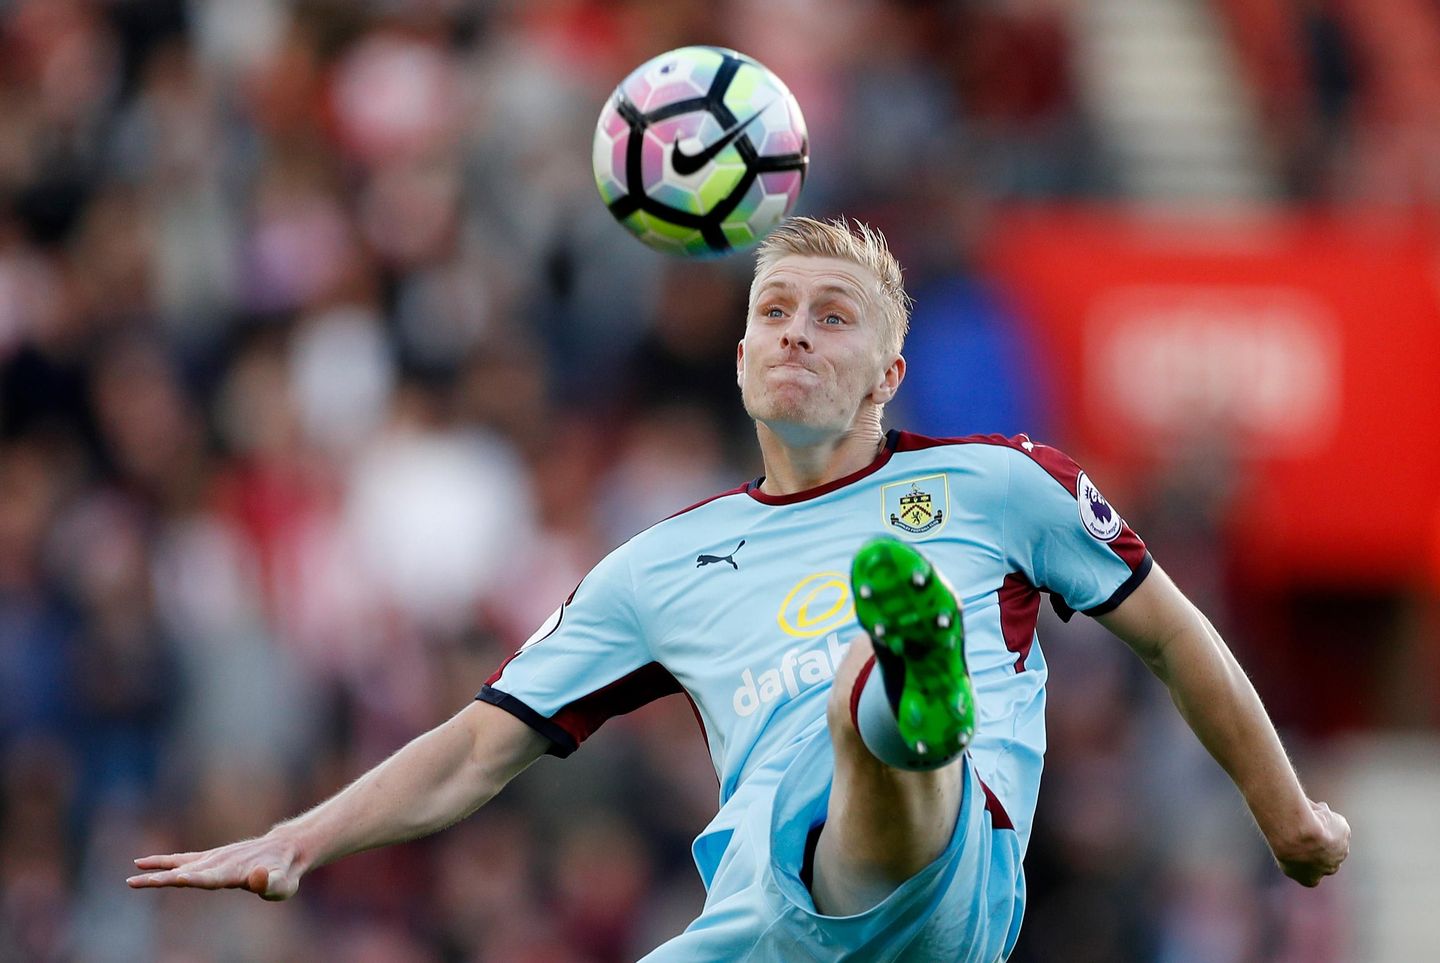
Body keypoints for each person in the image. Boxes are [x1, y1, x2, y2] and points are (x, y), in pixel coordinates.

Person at [130, 218, 1350, 961]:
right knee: (800, 804)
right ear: (740, 355)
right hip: (763, 925)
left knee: (860, 712)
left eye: (835, 318)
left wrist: (1287, 815)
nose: (797, 333)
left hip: (948, 885)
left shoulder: (1004, 487)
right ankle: (887, 703)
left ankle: (901, 696)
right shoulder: (653, 567)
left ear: (891, 371)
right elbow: (474, 750)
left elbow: (1177, 638)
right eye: (775, 311)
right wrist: (301, 838)